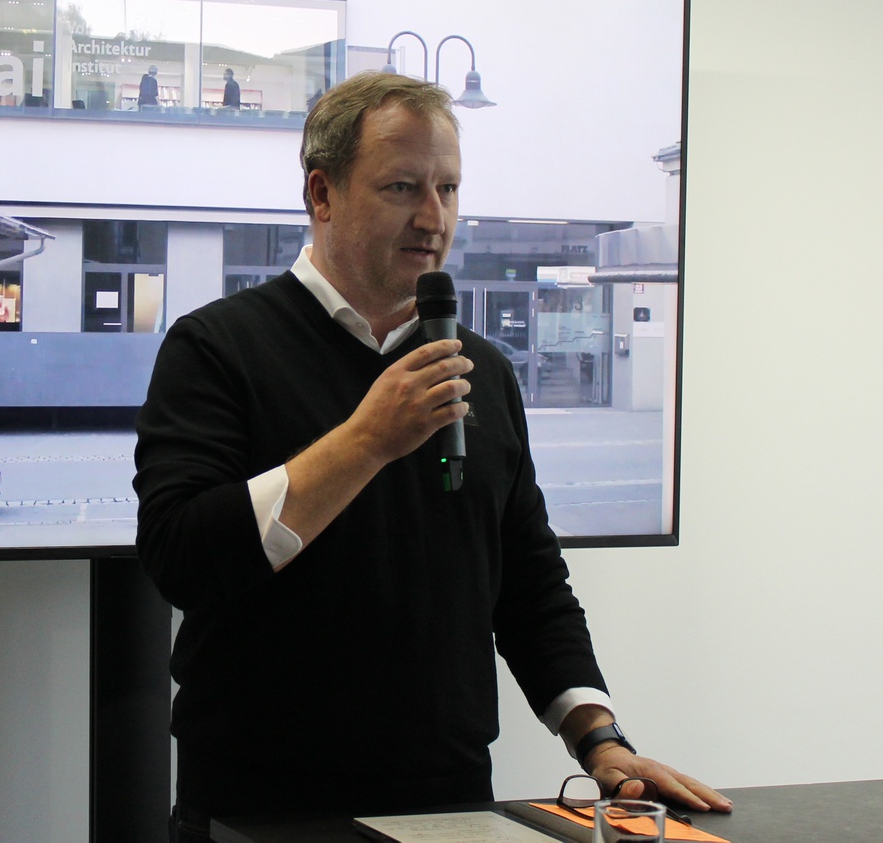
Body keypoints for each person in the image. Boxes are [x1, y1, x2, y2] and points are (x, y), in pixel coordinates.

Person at [133, 72, 728, 839]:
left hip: (449, 805)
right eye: (402, 188)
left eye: (448, 188)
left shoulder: (482, 369)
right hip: (260, 808)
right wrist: (365, 440)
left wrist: (601, 740)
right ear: (321, 193)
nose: (434, 218)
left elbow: (529, 585)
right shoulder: (215, 348)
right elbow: (182, 558)